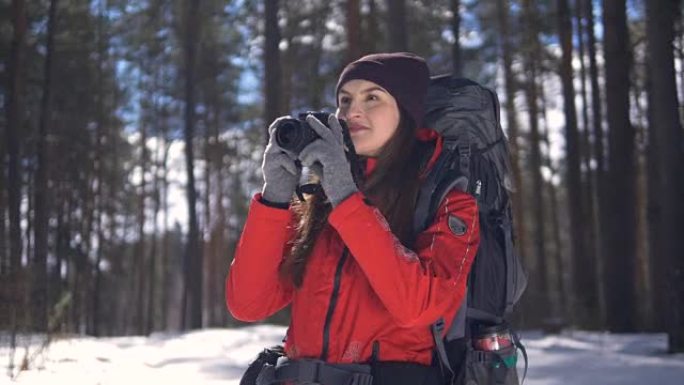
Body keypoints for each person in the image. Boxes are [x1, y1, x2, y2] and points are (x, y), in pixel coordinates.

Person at [226, 52, 481, 385]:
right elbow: (248, 304)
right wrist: (274, 198)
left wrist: (346, 196)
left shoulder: (449, 202)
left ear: (406, 112)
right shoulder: (324, 203)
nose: (352, 111)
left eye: (372, 97)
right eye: (344, 100)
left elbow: (418, 306)